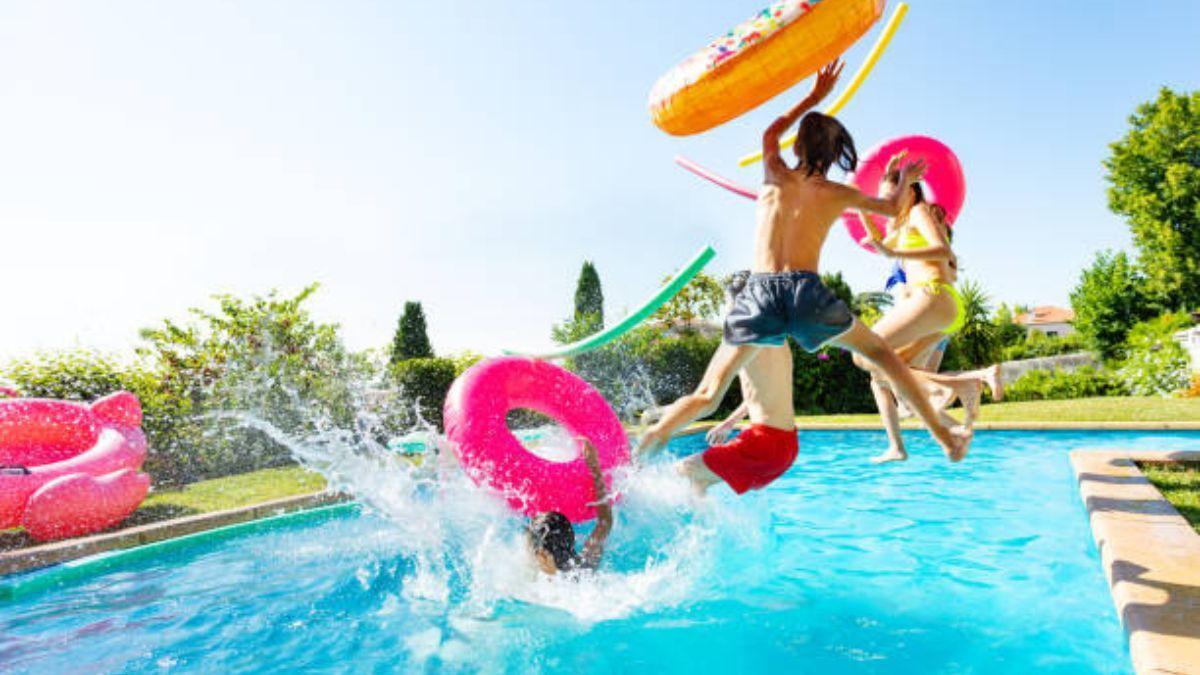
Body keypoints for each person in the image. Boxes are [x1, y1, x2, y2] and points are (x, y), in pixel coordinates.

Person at [637, 59, 971, 472]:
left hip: (758, 292)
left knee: (708, 393)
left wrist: (814, 98)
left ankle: (646, 446)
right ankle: (945, 435)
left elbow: (770, 131)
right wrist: (901, 179)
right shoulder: (833, 191)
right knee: (883, 356)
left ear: (798, 146)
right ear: (835, 156)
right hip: (805, 292)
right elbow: (889, 206)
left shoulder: (774, 171)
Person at [855, 163, 1003, 463]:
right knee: (886, 376)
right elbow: (879, 239)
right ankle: (923, 439)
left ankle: (961, 385)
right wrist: (859, 205)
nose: (888, 204)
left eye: (892, 196)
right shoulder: (898, 225)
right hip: (939, 307)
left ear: (909, 189)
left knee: (862, 353)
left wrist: (893, 254)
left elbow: (942, 250)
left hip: (931, 296)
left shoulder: (919, 213)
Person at [676, 272, 797, 495]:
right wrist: (729, 423)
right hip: (787, 446)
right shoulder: (778, 337)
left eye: (729, 305)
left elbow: (707, 397)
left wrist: (663, 428)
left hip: (764, 443)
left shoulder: (748, 334)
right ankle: (701, 527)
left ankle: (699, 527)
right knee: (700, 481)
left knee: (682, 469)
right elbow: (756, 394)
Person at [526, 441, 613, 575]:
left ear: (542, 555)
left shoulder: (535, 587)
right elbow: (605, 522)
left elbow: (605, 523)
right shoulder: (584, 566)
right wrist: (595, 468)